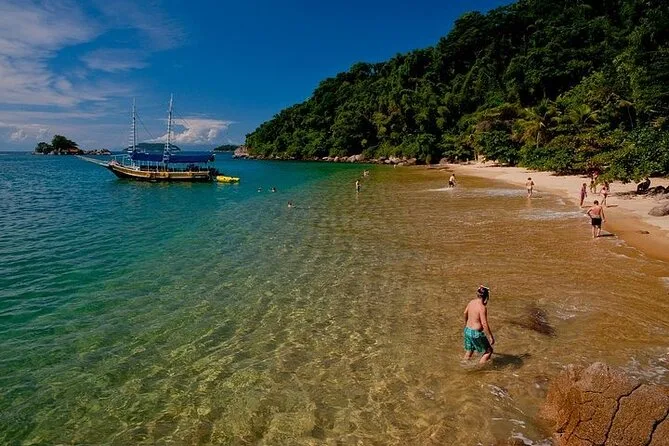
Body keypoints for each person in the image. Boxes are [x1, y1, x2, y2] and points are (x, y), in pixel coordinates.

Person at [463, 285, 494, 364]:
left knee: (469, 350)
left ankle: (464, 364)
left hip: (467, 330)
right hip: (476, 333)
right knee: (489, 351)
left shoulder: (471, 302)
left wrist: (466, 324)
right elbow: (484, 323)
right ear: (486, 297)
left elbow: (465, 313)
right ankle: (480, 368)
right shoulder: (482, 308)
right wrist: (490, 337)